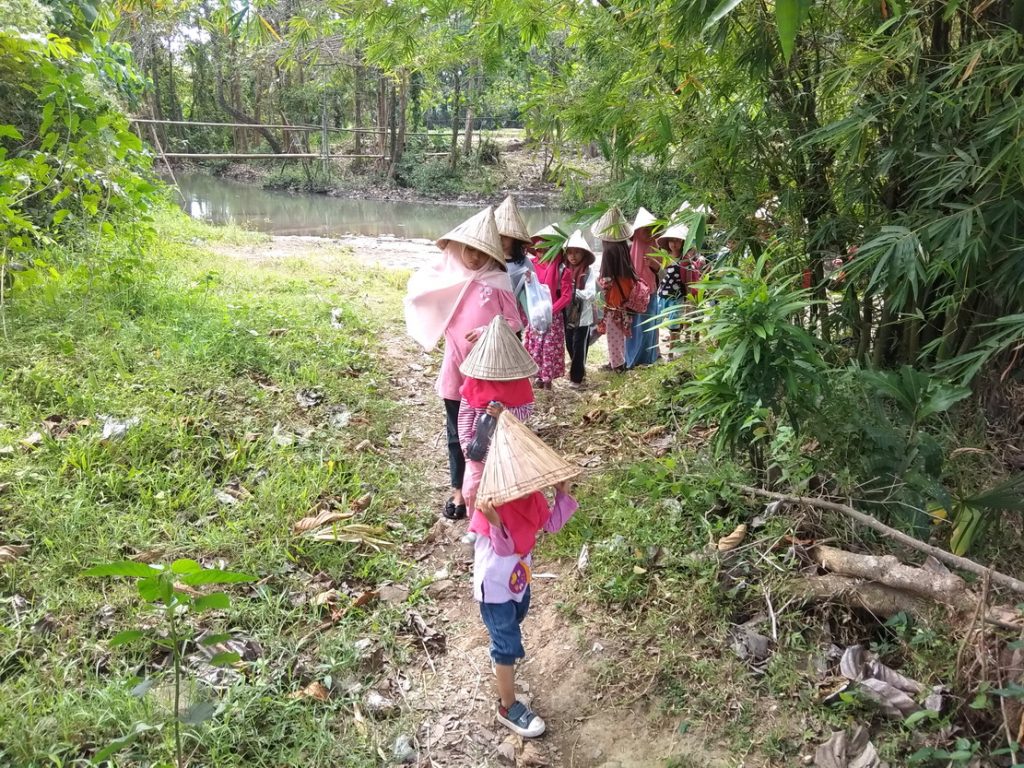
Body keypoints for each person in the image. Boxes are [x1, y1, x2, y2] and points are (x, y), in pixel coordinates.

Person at [404, 207, 521, 521]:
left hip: (490, 372)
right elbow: (421, 294)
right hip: (456, 367)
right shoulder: (447, 277)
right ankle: (459, 490)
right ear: (458, 247)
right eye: (469, 250)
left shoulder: (498, 280)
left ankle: (487, 487)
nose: (473, 257)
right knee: (457, 431)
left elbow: (515, 321)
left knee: (489, 430)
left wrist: (489, 329)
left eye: (481, 252)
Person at [468, 410, 580, 738]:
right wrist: (494, 520)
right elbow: (503, 548)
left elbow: (552, 524)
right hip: (495, 584)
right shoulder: (492, 502)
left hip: (518, 580)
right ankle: (507, 706)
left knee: (515, 620)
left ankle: (501, 659)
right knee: (507, 642)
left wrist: (562, 492)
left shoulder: (531, 497)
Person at [457, 315, 538, 543]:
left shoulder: (518, 381)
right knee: (473, 487)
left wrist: (505, 414)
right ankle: (476, 528)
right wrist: (465, 442)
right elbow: (465, 413)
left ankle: (500, 529)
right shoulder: (475, 380)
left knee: (502, 489)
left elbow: (526, 409)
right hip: (478, 445)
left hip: (506, 448)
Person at [591, 206, 639, 373]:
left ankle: (617, 366)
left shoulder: (609, 251)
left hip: (613, 302)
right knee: (620, 335)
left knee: (613, 336)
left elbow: (606, 282)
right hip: (624, 300)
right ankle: (618, 362)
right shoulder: (624, 248)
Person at [524, 227, 572, 389]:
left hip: (553, 315)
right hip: (534, 313)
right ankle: (538, 376)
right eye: (539, 250)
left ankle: (548, 379)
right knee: (536, 346)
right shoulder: (529, 265)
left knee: (550, 347)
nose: (542, 253)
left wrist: (550, 311)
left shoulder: (562, 269)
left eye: (546, 250)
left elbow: (566, 296)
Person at [625, 207, 662, 368]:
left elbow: (663, 274)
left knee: (648, 325)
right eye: (644, 229)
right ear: (636, 232)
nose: (647, 232)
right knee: (633, 327)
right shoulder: (630, 249)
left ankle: (648, 358)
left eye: (650, 229)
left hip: (651, 292)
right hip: (633, 294)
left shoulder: (656, 247)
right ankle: (632, 359)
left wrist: (655, 265)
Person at [562, 230, 597, 387]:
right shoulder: (564, 270)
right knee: (569, 342)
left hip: (583, 314)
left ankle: (576, 377)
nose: (573, 256)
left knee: (579, 344)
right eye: (570, 252)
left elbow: (590, 292)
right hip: (567, 312)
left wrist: (573, 291)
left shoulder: (588, 272)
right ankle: (579, 368)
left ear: (584, 254)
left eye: (577, 252)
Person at [494, 195, 536, 328]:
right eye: (498, 235)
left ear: (514, 239)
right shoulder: (490, 260)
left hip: (513, 317)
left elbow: (532, 291)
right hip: (490, 314)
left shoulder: (525, 263)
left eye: (506, 237)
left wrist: (529, 281)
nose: (501, 240)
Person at [656, 221, 689, 357]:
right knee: (657, 321)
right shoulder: (664, 257)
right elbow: (659, 275)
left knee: (674, 325)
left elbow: (687, 280)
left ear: (682, 243)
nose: (674, 244)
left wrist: (687, 298)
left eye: (677, 241)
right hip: (662, 294)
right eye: (671, 241)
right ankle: (656, 350)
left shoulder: (685, 260)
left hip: (677, 296)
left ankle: (671, 353)